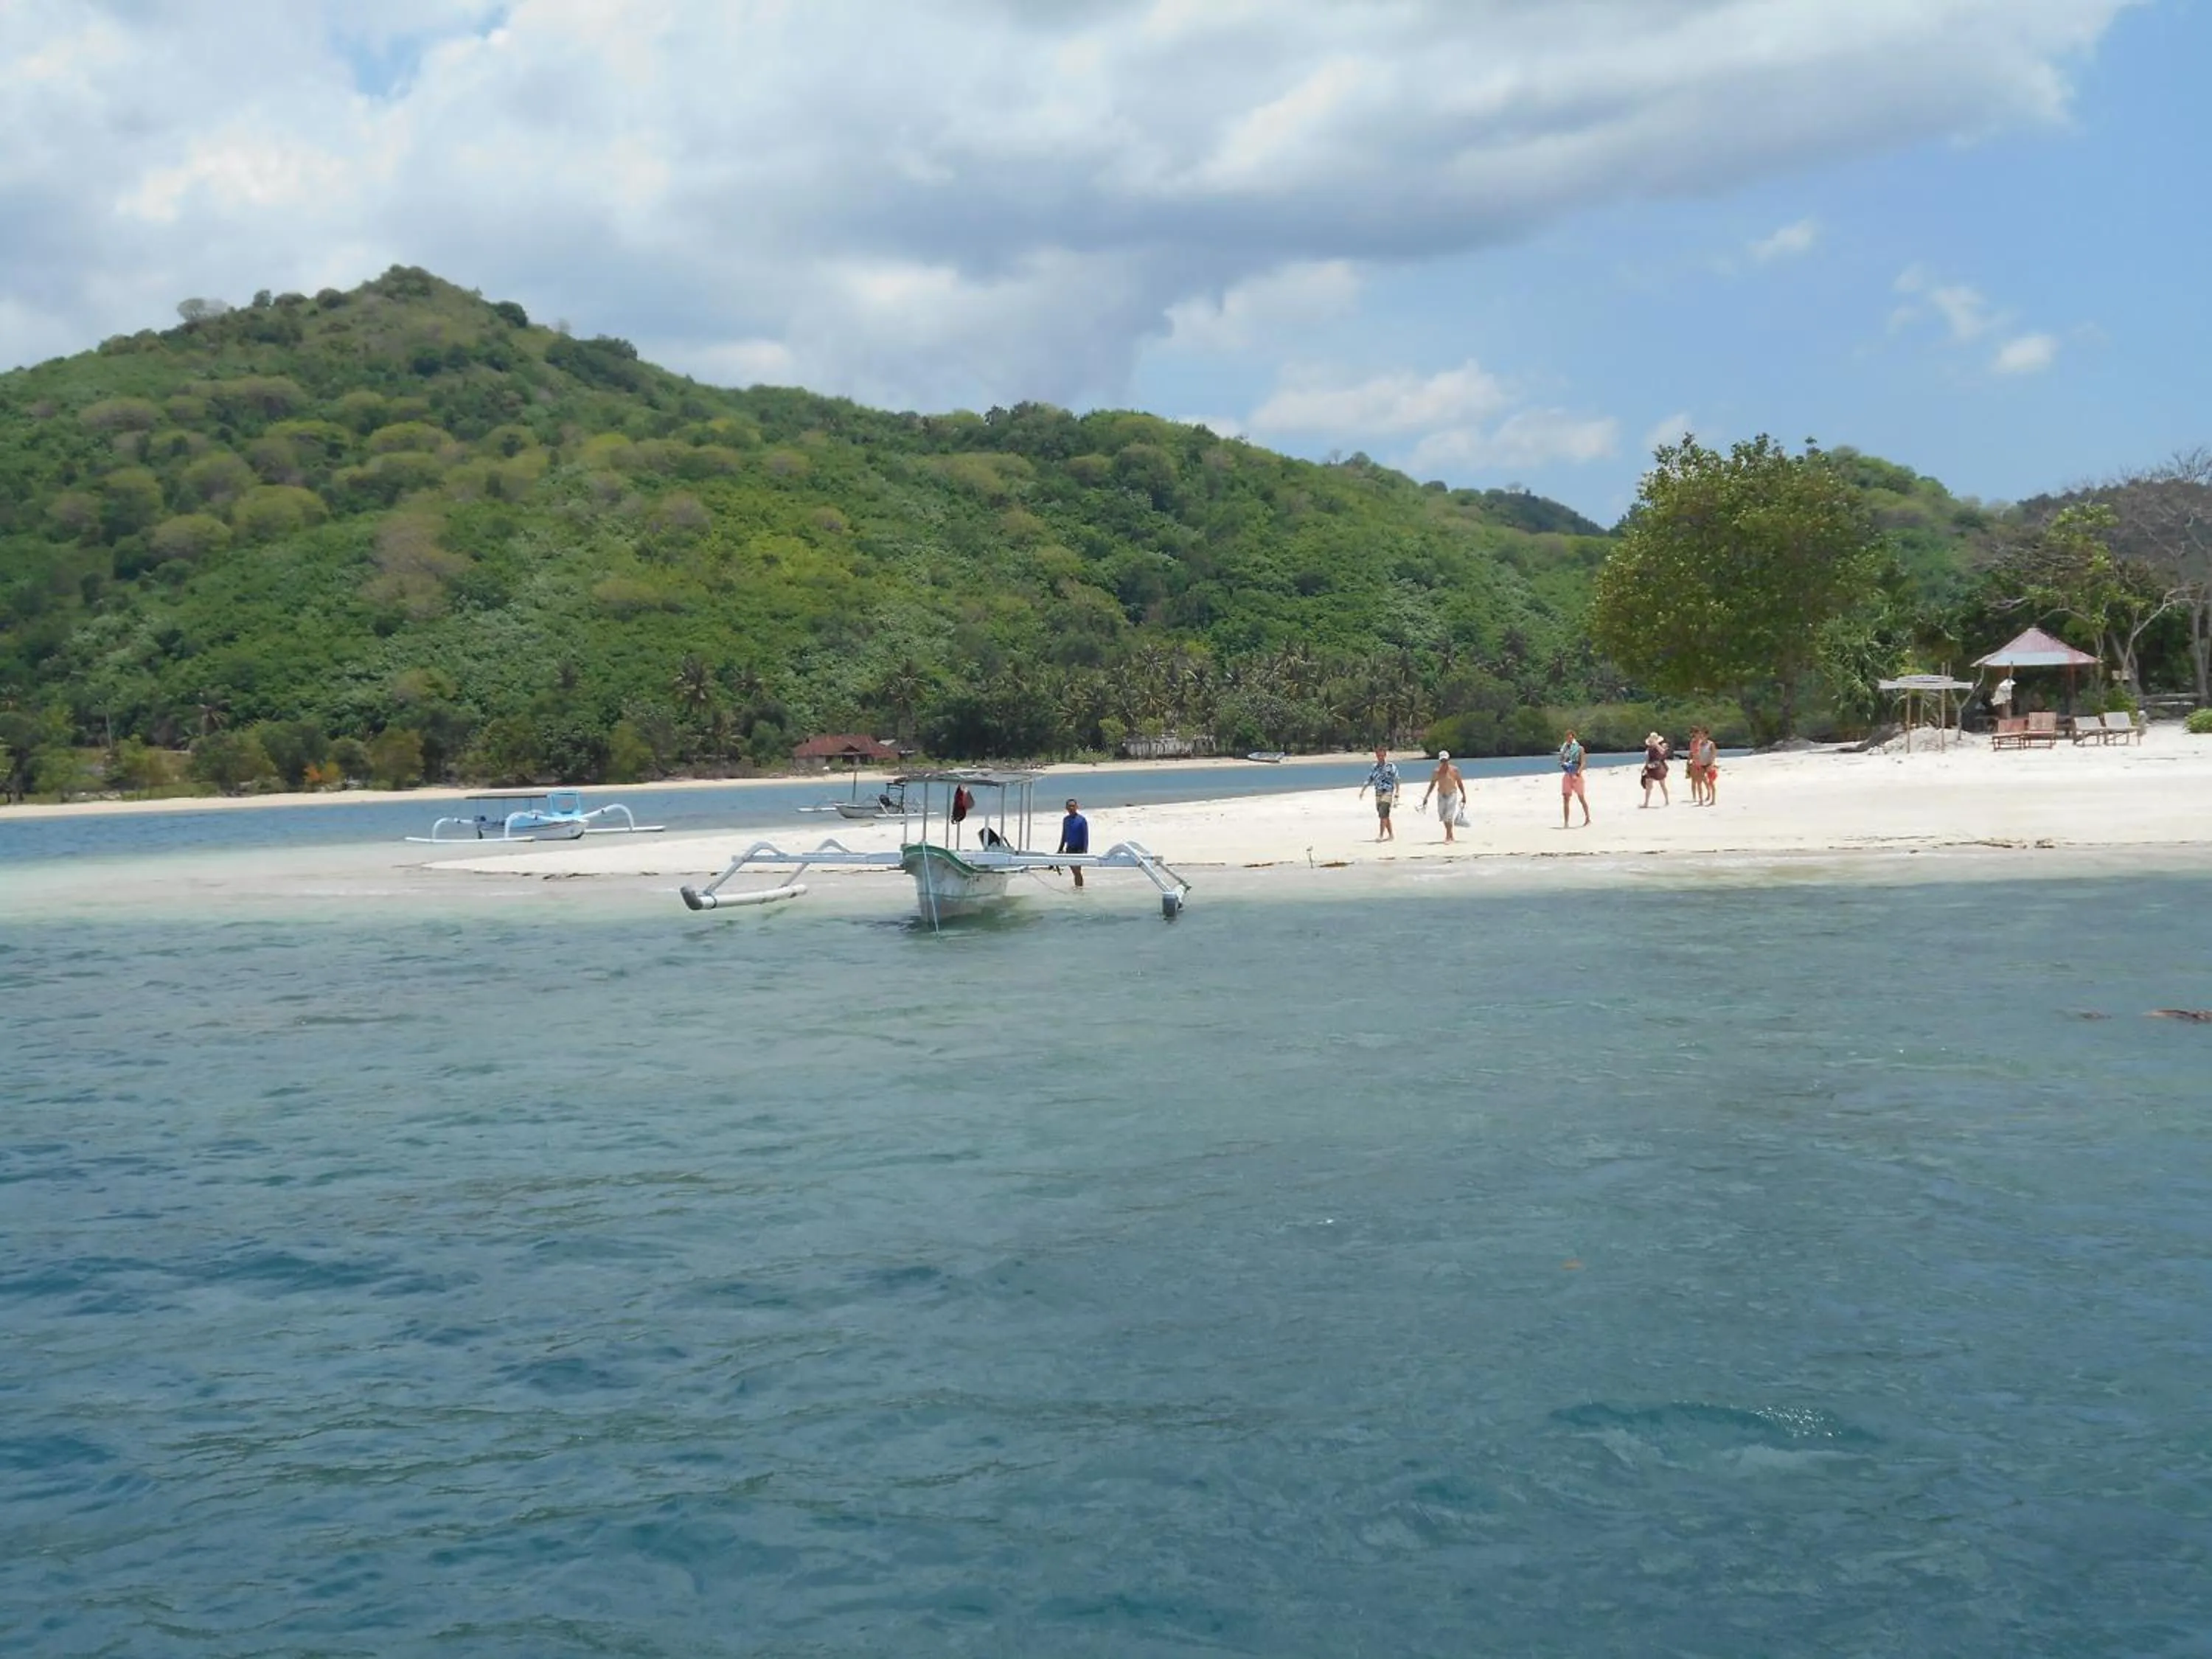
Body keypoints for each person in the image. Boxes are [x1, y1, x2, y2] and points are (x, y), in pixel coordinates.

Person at [1418, 749, 1467, 844]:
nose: (1444, 763)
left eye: (1445, 760)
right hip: (1441, 794)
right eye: (1442, 761)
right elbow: (1432, 784)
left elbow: (1460, 783)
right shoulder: (1436, 771)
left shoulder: (1454, 770)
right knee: (1443, 816)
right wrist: (1426, 797)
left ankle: (1448, 837)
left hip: (1452, 793)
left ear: (1448, 760)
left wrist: (1464, 795)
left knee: (1449, 816)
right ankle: (1451, 835)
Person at [1356, 746, 1399, 841]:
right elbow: (1369, 779)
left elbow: (1396, 779)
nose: (1380, 757)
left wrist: (1397, 792)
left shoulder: (1391, 766)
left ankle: (1381, 835)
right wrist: (1363, 790)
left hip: (1388, 791)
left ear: (1385, 755)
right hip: (1378, 792)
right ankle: (1391, 835)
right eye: (1378, 755)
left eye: (1382, 755)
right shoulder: (1374, 767)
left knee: (1383, 811)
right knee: (1383, 814)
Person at [1558, 728, 1590, 828]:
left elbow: (1583, 762)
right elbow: (1562, 761)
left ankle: (1587, 817)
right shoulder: (1564, 750)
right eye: (1567, 737)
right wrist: (1563, 764)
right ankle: (1566, 822)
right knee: (1566, 798)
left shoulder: (1580, 748)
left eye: (1570, 736)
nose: (1569, 739)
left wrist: (1578, 772)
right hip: (1568, 774)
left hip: (1577, 774)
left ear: (1573, 737)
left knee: (1581, 798)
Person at [1057, 798, 1089, 888]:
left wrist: (1085, 850)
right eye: (1069, 806)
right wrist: (1060, 849)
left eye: (1073, 806)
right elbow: (1064, 835)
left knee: (1077, 871)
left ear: (1076, 807)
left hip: (1079, 849)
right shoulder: (1066, 820)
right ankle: (1078, 887)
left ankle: (1079, 888)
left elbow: (1085, 836)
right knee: (1074, 871)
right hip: (1069, 848)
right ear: (1066, 808)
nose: (1071, 808)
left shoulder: (1082, 820)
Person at [1639, 731, 1670, 808]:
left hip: (1658, 766)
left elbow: (1663, 752)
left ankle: (1667, 800)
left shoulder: (1658, 746)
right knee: (1648, 784)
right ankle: (1646, 803)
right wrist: (1645, 768)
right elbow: (1648, 759)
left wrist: (1656, 745)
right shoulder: (1649, 748)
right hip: (1650, 766)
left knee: (1662, 784)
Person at [1692, 728, 1719, 806]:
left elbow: (1714, 755)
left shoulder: (1711, 744)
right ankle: (1701, 800)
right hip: (1701, 764)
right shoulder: (1699, 744)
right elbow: (1697, 754)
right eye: (1700, 735)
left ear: (1707, 736)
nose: (1701, 736)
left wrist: (1712, 764)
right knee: (1699, 782)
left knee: (1711, 782)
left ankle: (1713, 800)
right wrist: (1696, 761)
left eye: (1703, 735)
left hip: (1709, 764)